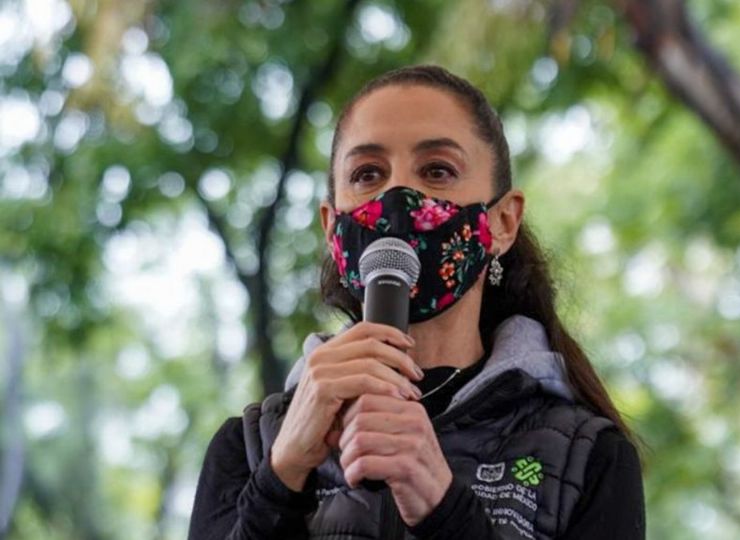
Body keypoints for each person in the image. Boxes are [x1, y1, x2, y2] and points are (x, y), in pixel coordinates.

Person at [188, 64, 645, 539]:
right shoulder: (248, 447)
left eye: (437, 171)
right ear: (332, 228)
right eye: (367, 174)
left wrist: (444, 509)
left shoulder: (587, 455)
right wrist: (279, 479)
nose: (397, 198)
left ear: (504, 222)